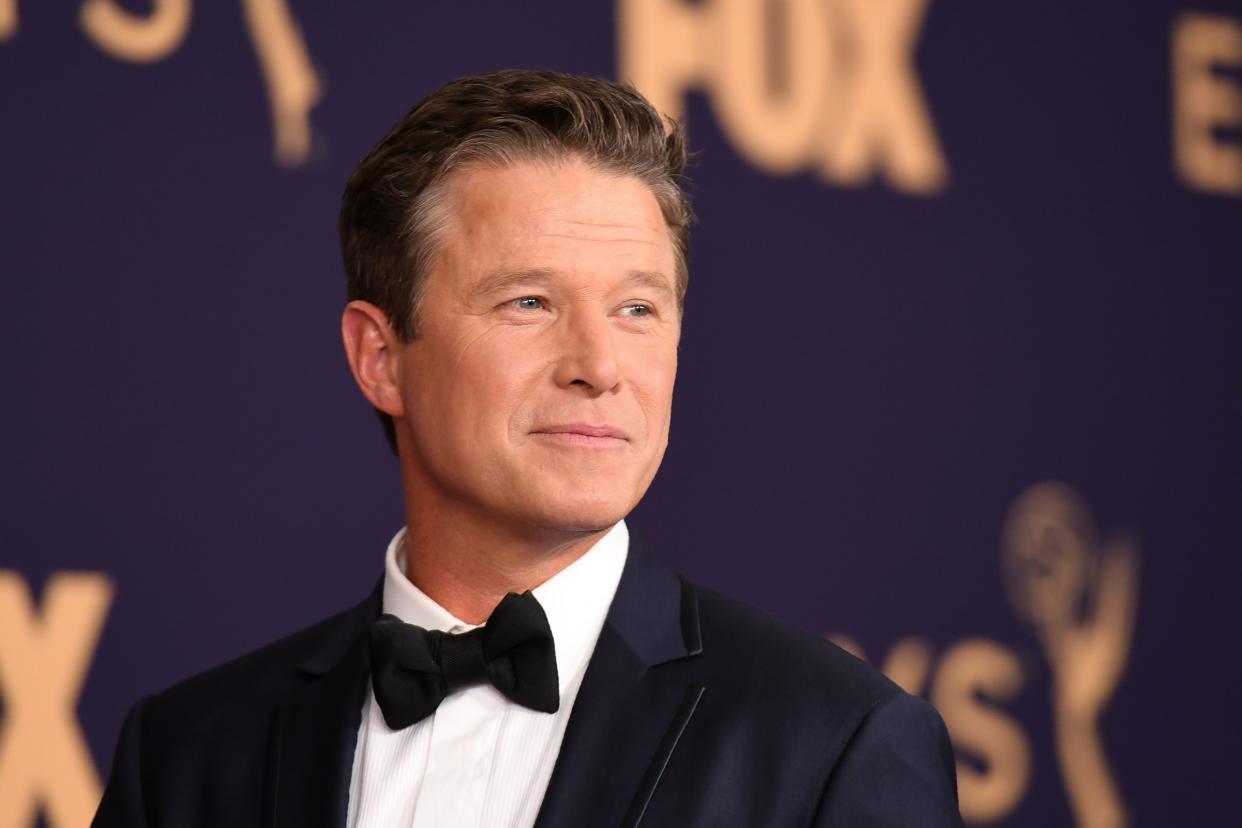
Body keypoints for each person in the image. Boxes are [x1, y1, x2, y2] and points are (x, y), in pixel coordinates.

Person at [93, 69, 963, 827]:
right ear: (381, 358)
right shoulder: (185, 757)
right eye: (529, 303)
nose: (598, 367)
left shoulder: (832, 744)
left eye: (638, 310)